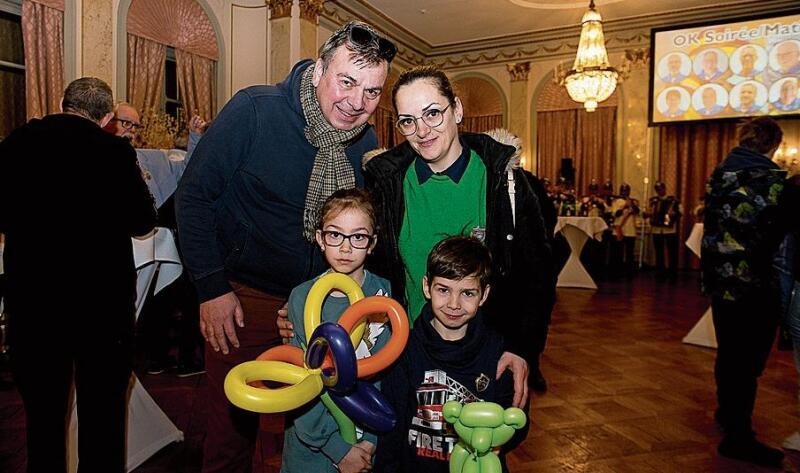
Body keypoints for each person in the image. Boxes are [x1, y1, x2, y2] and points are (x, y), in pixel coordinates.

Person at [175, 21, 396, 473]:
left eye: (372, 92)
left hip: (316, 301)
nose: (357, 103)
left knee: (309, 416)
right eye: (347, 81)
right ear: (318, 71)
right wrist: (211, 289)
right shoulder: (255, 110)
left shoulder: (367, 143)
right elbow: (192, 197)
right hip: (241, 296)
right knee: (232, 425)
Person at [362, 66, 556, 403]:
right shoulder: (387, 184)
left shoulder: (503, 181)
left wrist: (522, 347)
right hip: (410, 352)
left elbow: (536, 276)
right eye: (408, 120)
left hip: (486, 355)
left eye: (433, 113)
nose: (422, 131)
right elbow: (363, 263)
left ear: (458, 110)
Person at [0, 77, 156, 472]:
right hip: (100, 309)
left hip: (33, 305)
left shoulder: (17, 142)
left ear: (61, 102)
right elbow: (142, 222)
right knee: (103, 421)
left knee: (43, 422)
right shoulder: (114, 153)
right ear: (106, 117)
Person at [373, 236, 515, 472]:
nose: (454, 304)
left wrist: (500, 442)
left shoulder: (499, 352)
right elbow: (392, 427)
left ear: (485, 294)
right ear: (427, 287)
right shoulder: (404, 349)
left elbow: (514, 419)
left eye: (467, 293)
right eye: (443, 290)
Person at [282, 188, 390, 473]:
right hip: (312, 449)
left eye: (358, 236)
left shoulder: (384, 294)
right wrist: (337, 451)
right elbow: (300, 380)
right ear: (319, 238)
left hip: (368, 441)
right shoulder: (301, 297)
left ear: (372, 243)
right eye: (335, 234)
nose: (345, 247)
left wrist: (370, 440)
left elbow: (386, 374)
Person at [702, 116, 788, 468]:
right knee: (748, 363)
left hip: (721, 283)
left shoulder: (719, 176)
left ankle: (728, 413)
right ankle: (738, 437)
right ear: (773, 145)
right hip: (755, 285)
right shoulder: (774, 182)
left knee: (729, 354)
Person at [646, 181, 682, 280]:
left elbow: (680, 212)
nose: (659, 191)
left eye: (661, 189)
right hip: (657, 229)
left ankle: (672, 273)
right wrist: (648, 214)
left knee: (672, 252)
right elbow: (649, 212)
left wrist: (673, 215)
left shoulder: (673, 200)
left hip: (669, 230)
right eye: (657, 189)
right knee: (659, 252)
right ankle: (660, 272)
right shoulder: (653, 201)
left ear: (664, 188)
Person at [609, 183, 639, 277]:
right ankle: (617, 272)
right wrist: (624, 207)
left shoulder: (633, 201)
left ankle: (629, 272)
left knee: (630, 253)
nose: (624, 192)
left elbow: (637, 212)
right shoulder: (616, 202)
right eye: (623, 190)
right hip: (619, 229)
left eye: (626, 190)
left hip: (630, 229)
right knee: (618, 253)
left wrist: (632, 205)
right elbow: (615, 214)